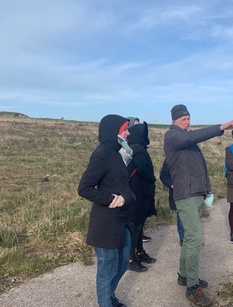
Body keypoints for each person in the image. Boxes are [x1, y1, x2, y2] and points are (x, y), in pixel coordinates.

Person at [164, 104, 233, 307]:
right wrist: (220, 127)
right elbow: (191, 137)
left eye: (189, 118)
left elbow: (199, 168)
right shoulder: (173, 136)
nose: (187, 122)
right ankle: (192, 286)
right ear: (174, 121)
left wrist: (206, 188)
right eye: (183, 119)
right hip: (186, 195)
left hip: (196, 194)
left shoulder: (188, 142)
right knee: (195, 239)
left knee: (191, 238)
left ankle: (183, 276)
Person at [78, 114, 135, 307]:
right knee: (107, 269)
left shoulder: (118, 152)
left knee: (122, 264)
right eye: (125, 129)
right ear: (114, 131)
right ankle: (106, 302)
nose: (128, 133)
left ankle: (108, 296)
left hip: (121, 220)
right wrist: (110, 200)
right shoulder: (102, 153)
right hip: (106, 222)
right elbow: (84, 187)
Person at [126, 121, 157, 272]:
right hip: (138, 194)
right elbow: (141, 168)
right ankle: (131, 259)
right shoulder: (138, 149)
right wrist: (152, 178)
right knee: (135, 227)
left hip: (140, 193)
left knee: (139, 226)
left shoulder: (134, 147)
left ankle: (139, 252)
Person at [159, 159, 184, 246]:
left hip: (191, 191)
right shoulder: (170, 159)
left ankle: (192, 237)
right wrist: (171, 184)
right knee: (180, 214)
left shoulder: (191, 155)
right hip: (177, 192)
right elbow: (163, 175)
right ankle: (182, 237)